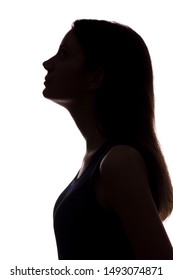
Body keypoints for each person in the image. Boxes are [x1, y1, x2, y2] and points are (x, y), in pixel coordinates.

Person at [42, 19, 173, 260]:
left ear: (96, 78)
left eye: (64, 54)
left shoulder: (118, 161)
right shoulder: (97, 162)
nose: (47, 64)